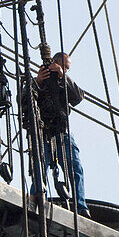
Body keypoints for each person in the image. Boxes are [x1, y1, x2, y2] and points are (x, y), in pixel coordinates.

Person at [27, 51, 89, 217]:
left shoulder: (63, 82)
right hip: (43, 132)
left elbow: (78, 97)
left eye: (67, 69)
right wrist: (38, 81)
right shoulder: (37, 81)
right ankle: (36, 198)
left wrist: (63, 77)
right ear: (55, 62)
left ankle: (80, 207)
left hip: (62, 132)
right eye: (64, 67)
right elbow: (23, 100)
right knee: (40, 168)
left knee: (75, 168)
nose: (66, 71)